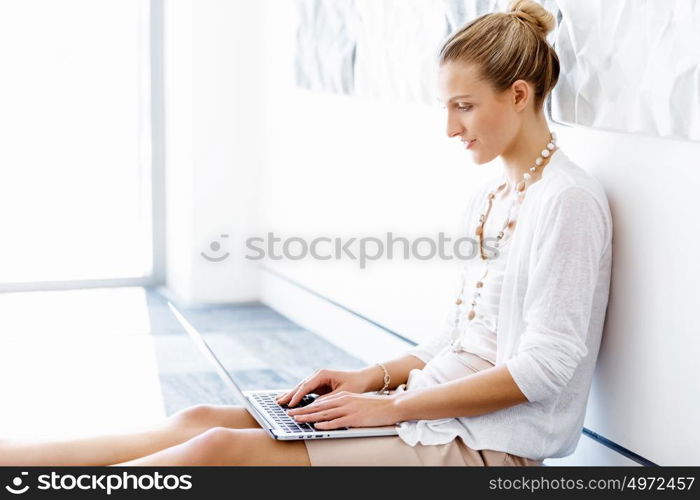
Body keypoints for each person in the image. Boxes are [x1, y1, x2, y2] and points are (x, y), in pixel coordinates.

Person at [0, 0, 613, 466]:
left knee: (216, 451)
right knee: (201, 417)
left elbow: (545, 367)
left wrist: (392, 407)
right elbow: (461, 337)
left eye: (464, 106)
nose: (450, 128)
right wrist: (371, 379)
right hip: (429, 407)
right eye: (446, 107)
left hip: (486, 447)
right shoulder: (493, 195)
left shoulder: (569, 201)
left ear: (520, 94)